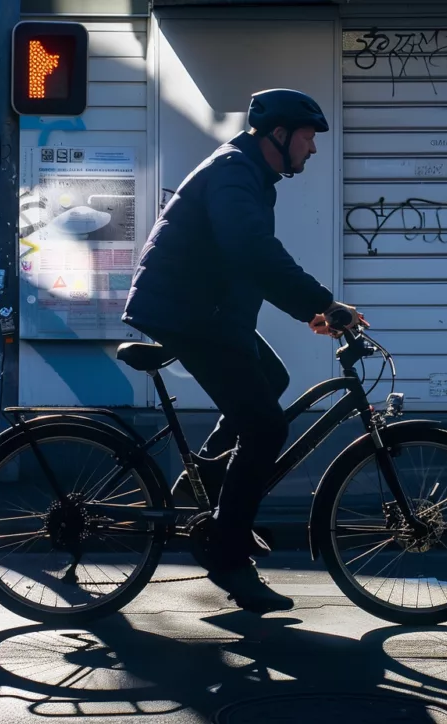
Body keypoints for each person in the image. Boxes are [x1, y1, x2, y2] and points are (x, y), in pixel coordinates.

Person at [121, 88, 367, 613]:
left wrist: (313, 311)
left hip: (207, 310)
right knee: (266, 427)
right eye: (307, 137)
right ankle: (228, 555)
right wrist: (322, 302)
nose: (313, 150)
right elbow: (252, 251)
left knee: (271, 381)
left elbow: (250, 261)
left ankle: (203, 480)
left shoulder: (249, 174)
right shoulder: (235, 172)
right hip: (189, 313)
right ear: (277, 134)